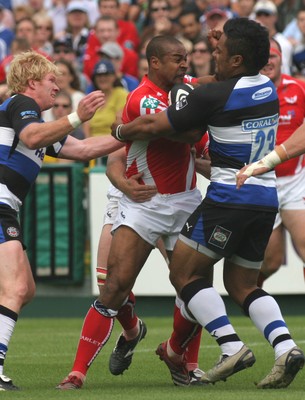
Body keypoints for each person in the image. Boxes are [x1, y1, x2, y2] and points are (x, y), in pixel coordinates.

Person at [111, 18, 305, 389]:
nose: (209, 56)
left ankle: (231, 345)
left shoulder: (212, 96)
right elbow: (216, 82)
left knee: (184, 273)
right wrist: (224, 46)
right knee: (243, 283)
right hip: (266, 198)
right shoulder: (267, 85)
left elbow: (159, 126)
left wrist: (121, 131)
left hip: (229, 195)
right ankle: (285, 348)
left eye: (217, 52)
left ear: (235, 60)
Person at [57, 35, 210, 390]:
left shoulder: (183, 87)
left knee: (195, 289)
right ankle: (79, 371)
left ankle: (183, 361)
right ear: (154, 63)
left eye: (187, 58)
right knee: (113, 286)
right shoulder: (141, 98)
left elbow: (208, 87)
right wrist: (125, 184)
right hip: (146, 204)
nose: (185, 64)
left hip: (186, 200)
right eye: (177, 58)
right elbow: (179, 132)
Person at [0, 50, 123, 391]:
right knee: (16, 289)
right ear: (31, 83)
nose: (58, 86)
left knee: (25, 289)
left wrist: (135, 133)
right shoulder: (21, 105)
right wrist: (75, 116)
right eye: (52, 80)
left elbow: (83, 150)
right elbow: (30, 138)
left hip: (5, 206)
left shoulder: (36, 121)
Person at [257, 38, 305, 288]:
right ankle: (249, 294)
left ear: (281, 59)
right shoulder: (248, 93)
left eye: (273, 56)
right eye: (263, 57)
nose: (268, 62)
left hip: (296, 184)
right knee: (272, 261)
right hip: (264, 183)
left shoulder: (299, 88)